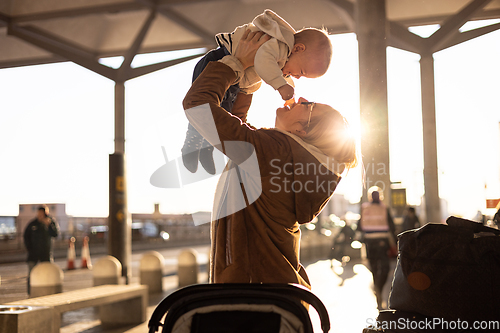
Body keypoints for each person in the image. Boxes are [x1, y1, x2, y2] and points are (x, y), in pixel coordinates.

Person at [182, 30, 357, 290]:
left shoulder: (274, 153)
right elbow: (238, 131)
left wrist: (237, 64)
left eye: (307, 104)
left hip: (250, 298)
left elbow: (198, 104)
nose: (297, 97)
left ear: (302, 131)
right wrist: (249, 80)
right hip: (273, 293)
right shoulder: (289, 161)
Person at [182, 9, 333, 175]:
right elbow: (263, 62)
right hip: (218, 62)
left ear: (301, 132)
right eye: (302, 71)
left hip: (229, 73)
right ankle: (193, 145)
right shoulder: (279, 46)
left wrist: (281, 84)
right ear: (298, 48)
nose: (297, 77)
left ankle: (206, 148)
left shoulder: (272, 155)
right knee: (214, 116)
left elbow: (235, 124)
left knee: (220, 114)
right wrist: (280, 85)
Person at [358, 186, 397, 310]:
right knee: (384, 267)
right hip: (382, 242)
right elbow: (392, 226)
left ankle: (378, 290)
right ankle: (379, 288)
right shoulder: (384, 208)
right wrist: (395, 242)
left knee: (374, 268)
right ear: (380, 196)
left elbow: (359, 225)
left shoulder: (365, 208)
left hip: (370, 242)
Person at [23, 205, 59, 295]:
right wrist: (29, 248)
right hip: (33, 253)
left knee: (47, 272)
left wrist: (49, 225)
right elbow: (26, 236)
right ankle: (30, 292)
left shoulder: (50, 222)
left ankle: (48, 292)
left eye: (42, 214)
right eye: (39, 213)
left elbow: (55, 234)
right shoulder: (33, 224)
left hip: (45, 253)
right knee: (31, 273)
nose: (40, 215)